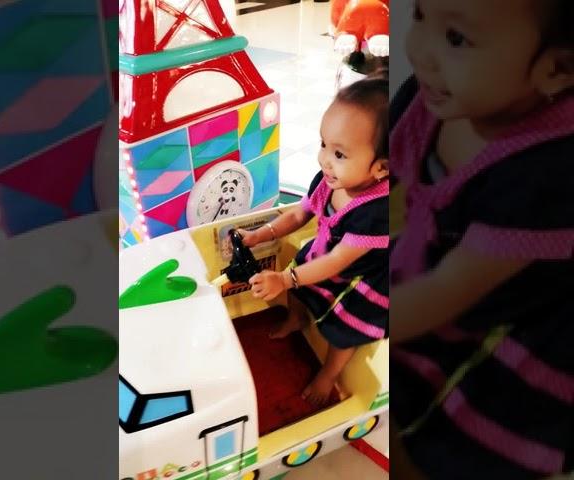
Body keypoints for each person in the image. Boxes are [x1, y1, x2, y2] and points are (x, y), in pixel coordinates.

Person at [389, 0, 574, 478]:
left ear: (555, 70)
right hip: (441, 258)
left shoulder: (545, 176)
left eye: (456, 38)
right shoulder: (435, 94)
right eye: (421, 14)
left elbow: (446, 293)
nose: (420, 50)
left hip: (505, 308)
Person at [238, 76, 390, 405]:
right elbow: (298, 214)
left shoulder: (378, 212)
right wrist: (260, 234)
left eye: (339, 153)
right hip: (324, 255)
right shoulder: (329, 179)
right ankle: (297, 318)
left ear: (382, 168)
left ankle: (329, 374)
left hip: (358, 277)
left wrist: (284, 279)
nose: (324, 159)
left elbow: (338, 262)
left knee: (345, 329)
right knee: (298, 279)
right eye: (323, 144)